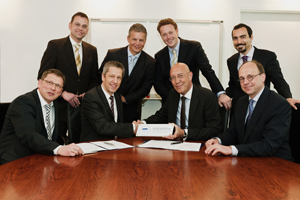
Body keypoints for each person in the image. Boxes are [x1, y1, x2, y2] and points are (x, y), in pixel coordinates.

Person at [205, 61, 293, 161]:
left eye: (250, 77)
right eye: (242, 79)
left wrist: (231, 149)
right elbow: (233, 132)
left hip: (277, 164)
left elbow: (268, 145)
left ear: (262, 77)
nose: (245, 82)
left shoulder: (279, 104)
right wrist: (218, 140)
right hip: (249, 160)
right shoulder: (241, 102)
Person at [38, 12, 99, 143]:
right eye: (77, 24)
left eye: (84, 26)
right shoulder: (55, 46)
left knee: (80, 146)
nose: (80, 28)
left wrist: (87, 94)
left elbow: (94, 79)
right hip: (59, 107)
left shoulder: (92, 50)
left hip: (82, 108)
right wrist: (62, 93)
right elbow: (43, 76)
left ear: (87, 30)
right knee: (56, 144)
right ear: (70, 25)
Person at [0, 69, 83, 165]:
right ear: (39, 83)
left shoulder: (55, 104)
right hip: (15, 161)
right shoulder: (23, 102)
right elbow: (29, 136)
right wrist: (59, 149)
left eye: (58, 86)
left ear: (61, 91)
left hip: (41, 158)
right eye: (49, 82)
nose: (53, 88)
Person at [220, 23, 300, 115]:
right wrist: (221, 95)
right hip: (239, 110)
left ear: (251, 37)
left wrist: (287, 97)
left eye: (243, 37)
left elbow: (278, 81)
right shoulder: (231, 61)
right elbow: (233, 85)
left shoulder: (267, 57)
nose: (239, 41)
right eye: (235, 38)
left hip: (261, 108)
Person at [154, 18, 230, 106]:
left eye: (170, 32)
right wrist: (173, 97)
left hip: (194, 101)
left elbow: (207, 71)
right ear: (161, 36)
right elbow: (158, 83)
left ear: (177, 31)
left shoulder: (194, 47)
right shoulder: (159, 56)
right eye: (164, 34)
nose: (168, 37)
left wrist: (220, 93)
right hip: (170, 103)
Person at [141, 63, 222, 141]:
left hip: (198, 144)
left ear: (190, 76)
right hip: (175, 143)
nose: (177, 81)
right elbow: (161, 116)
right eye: (173, 77)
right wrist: (143, 123)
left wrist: (184, 133)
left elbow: (214, 130)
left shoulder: (207, 96)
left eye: (180, 76)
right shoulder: (173, 94)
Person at [98, 23, 155, 123]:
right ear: (128, 39)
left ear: (145, 41)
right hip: (108, 105)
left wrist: (125, 99)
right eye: (134, 39)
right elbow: (100, 76)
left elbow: (146, 88)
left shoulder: (150, 62)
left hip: (131, 109)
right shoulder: (113, 54)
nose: (137, 43)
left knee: (129, 138)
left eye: (141, 40)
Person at [81, 61, 138, 142]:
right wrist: (132, 127)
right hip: (94, 147)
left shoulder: (117, 97)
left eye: (119, 78)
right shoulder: (91, 96)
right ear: (103, 77)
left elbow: (118, 124)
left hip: (114, 145)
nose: (115, 81)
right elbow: (102, 127)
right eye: (112, 76)